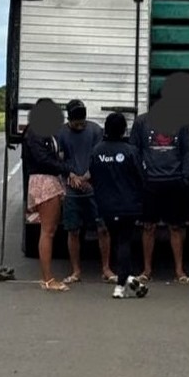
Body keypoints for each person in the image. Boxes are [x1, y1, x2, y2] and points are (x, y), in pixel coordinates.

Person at [129, 112, 189, 284]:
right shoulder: (142, 122)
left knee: (175, 227)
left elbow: (187, 151)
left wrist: (184, 177)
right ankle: (146, 270)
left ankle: (180, 271)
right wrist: (141, 175)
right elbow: (134, 149)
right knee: (148, 226)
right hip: (150, 182)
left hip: (174, 181)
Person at [89, 113, 149, 299]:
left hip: (106, 205)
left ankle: (129, 280)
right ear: (124, 129)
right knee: (124, 242)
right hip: (129, 205)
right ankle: (120, 285)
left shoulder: (97, 151)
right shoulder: (131, 151)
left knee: (118, 242)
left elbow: (93, 176)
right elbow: (141, 177)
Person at [56, 99, 116, 284]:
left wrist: (88, 175)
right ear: (69, 119)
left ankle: (106, 268)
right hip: (72, 189)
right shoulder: (61, 133)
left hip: (94, 188)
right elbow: (58, 159)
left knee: (103, 228)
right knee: (73, 230)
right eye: (76, 123)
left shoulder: (96, 131)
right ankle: (76, 271)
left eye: (82, 122)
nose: (80, 125)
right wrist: (70, 174)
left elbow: (100, 155)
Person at [22, 98, 74, 292]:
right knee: (48, 231)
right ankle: (47, 278)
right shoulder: (35, 132)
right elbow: (43, 159)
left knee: (49, 230)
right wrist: (66, 169)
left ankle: (47, 276)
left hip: (48, 179)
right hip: (44, 180)